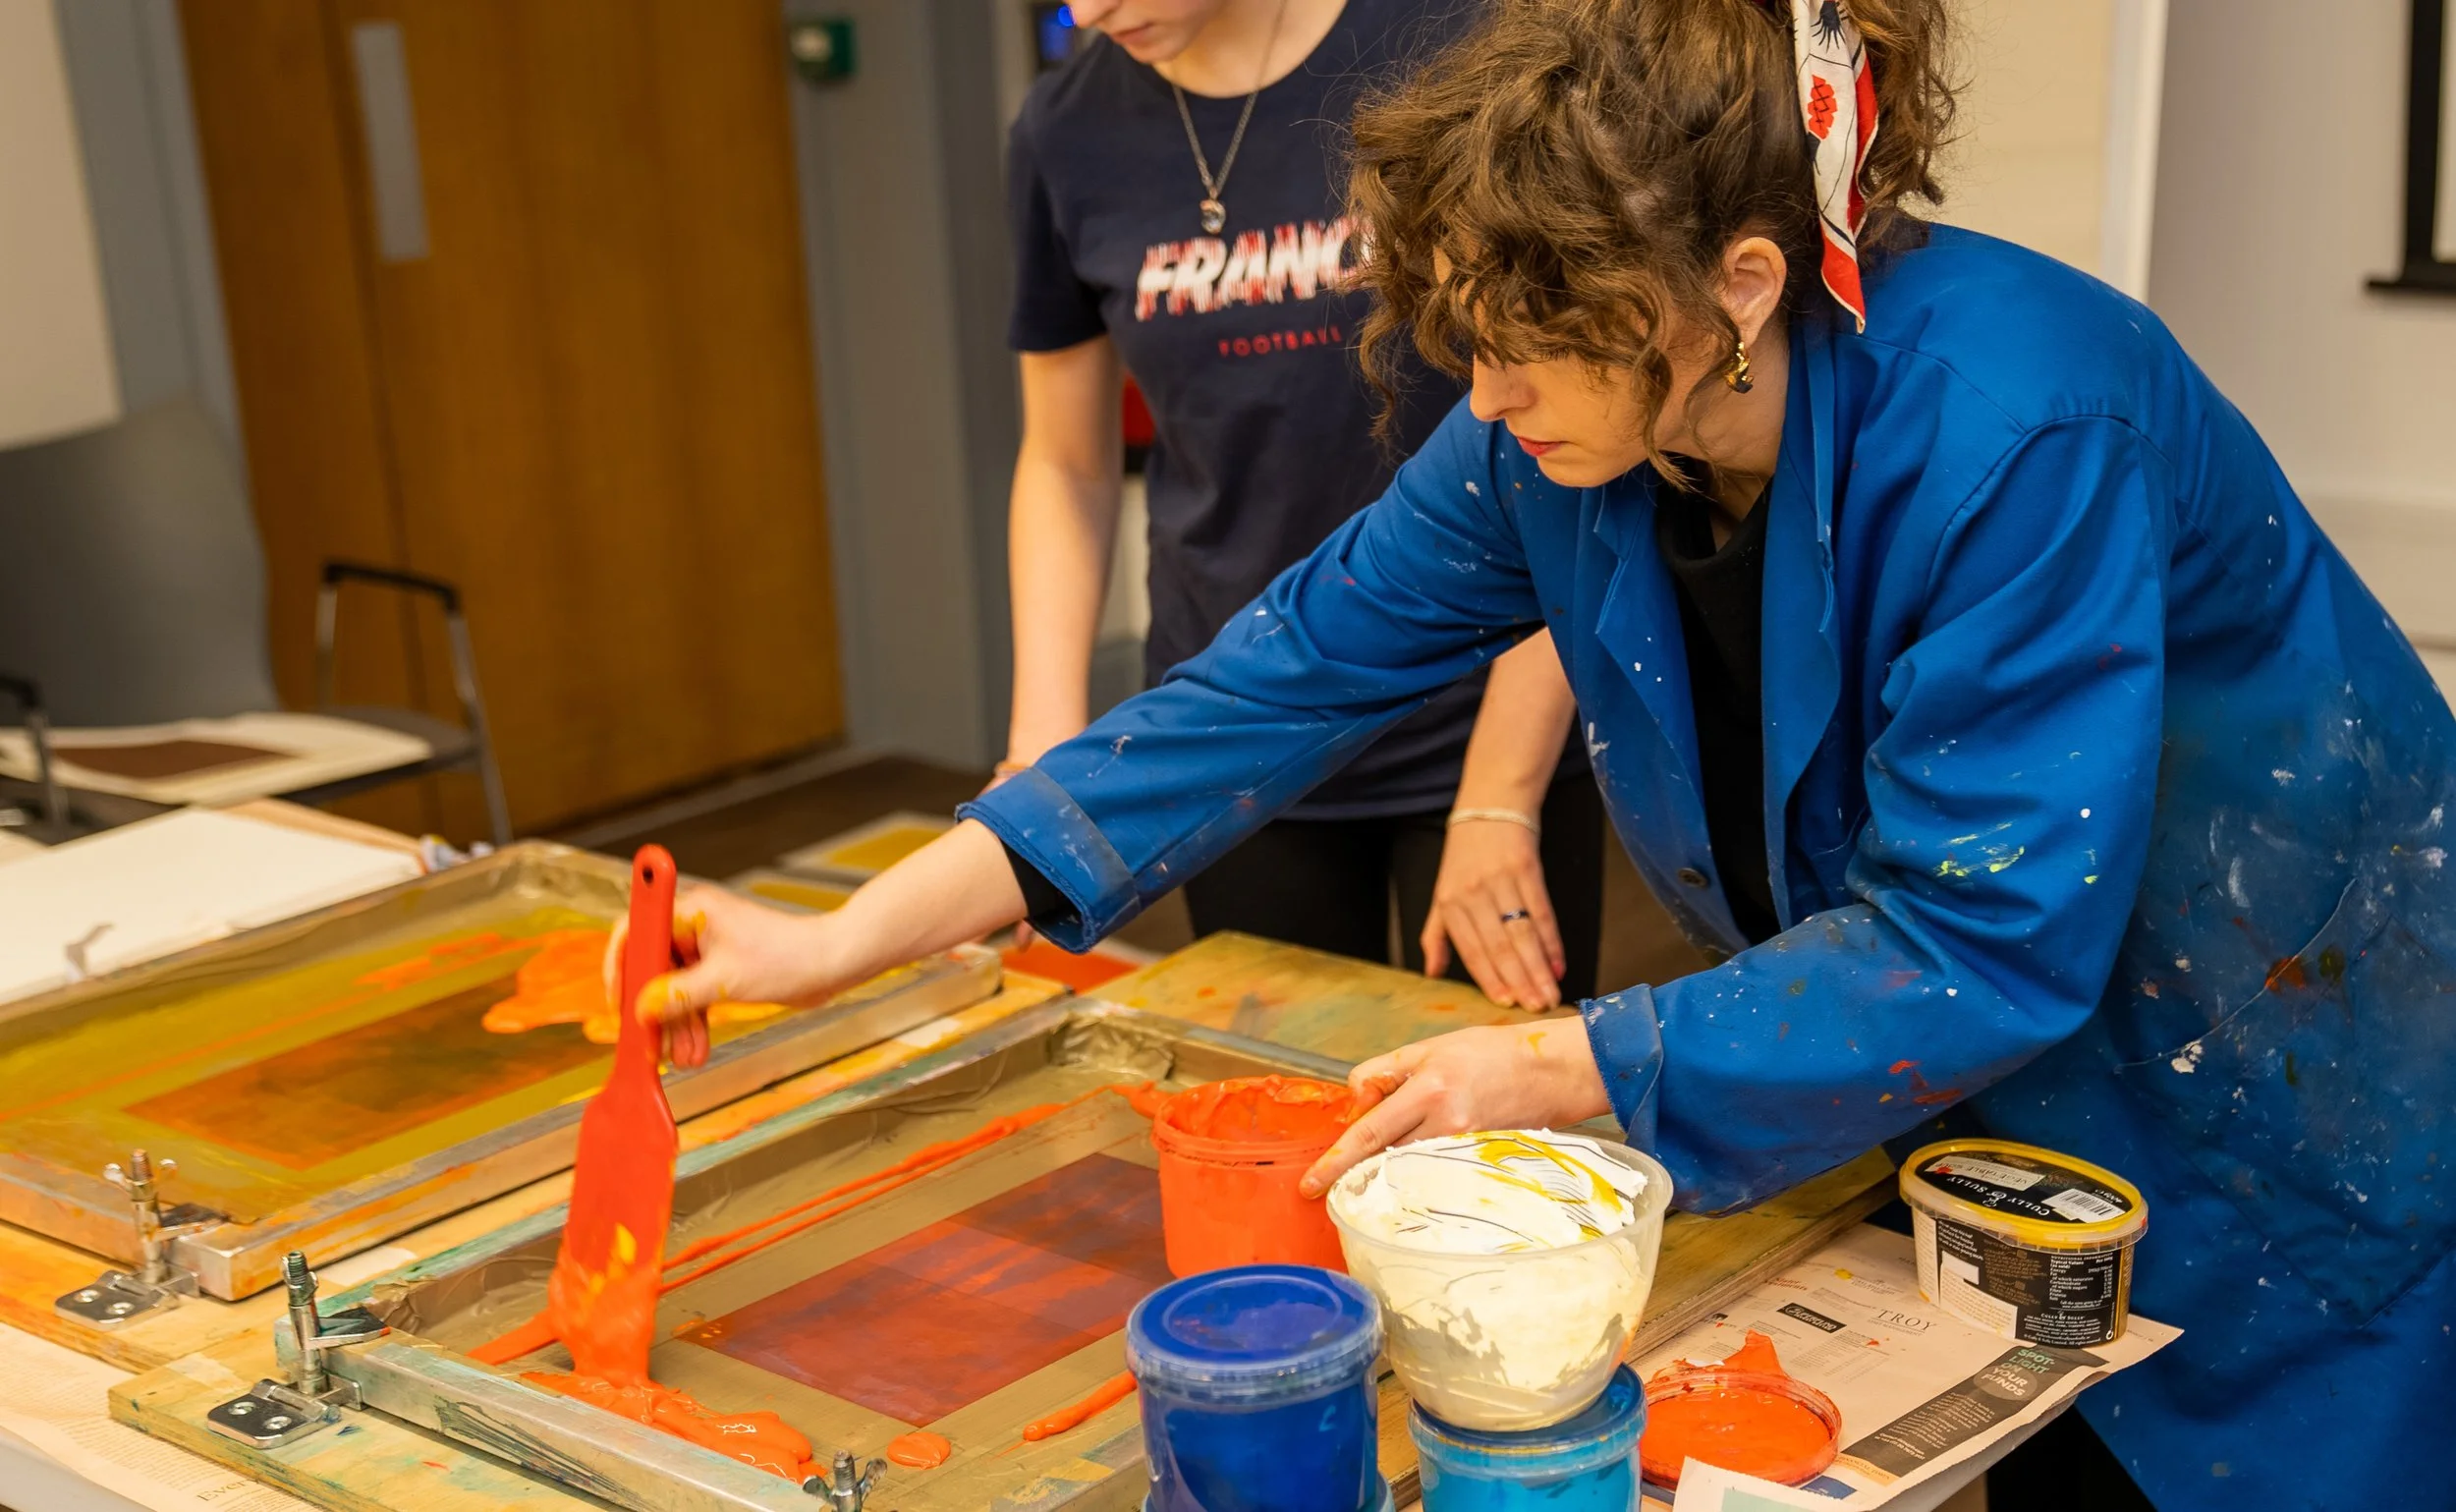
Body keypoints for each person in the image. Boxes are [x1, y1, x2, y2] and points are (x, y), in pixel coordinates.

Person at [637, 0, 2456, 1504]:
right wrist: (843, 936)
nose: (1486, 398)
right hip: (2006, 1068)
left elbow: (1978, 931)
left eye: (1528, 351)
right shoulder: (1559, 423)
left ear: (1737, 286)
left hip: (2282, 1045)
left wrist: (1559, 1060)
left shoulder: (2022, 421)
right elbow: (1270, 679)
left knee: (2252, 1431)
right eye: (1468, 345)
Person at [1004, 0, 1605, 1006]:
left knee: (1491, 1092)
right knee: (1278, 1080)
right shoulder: (1063, 131)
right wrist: (1040, 752)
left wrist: (1499, 802)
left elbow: (1573, 445)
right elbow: (1065, 463)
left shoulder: (1455, 45)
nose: (1092, 12)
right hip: (1234, 719)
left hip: (1485, 714)